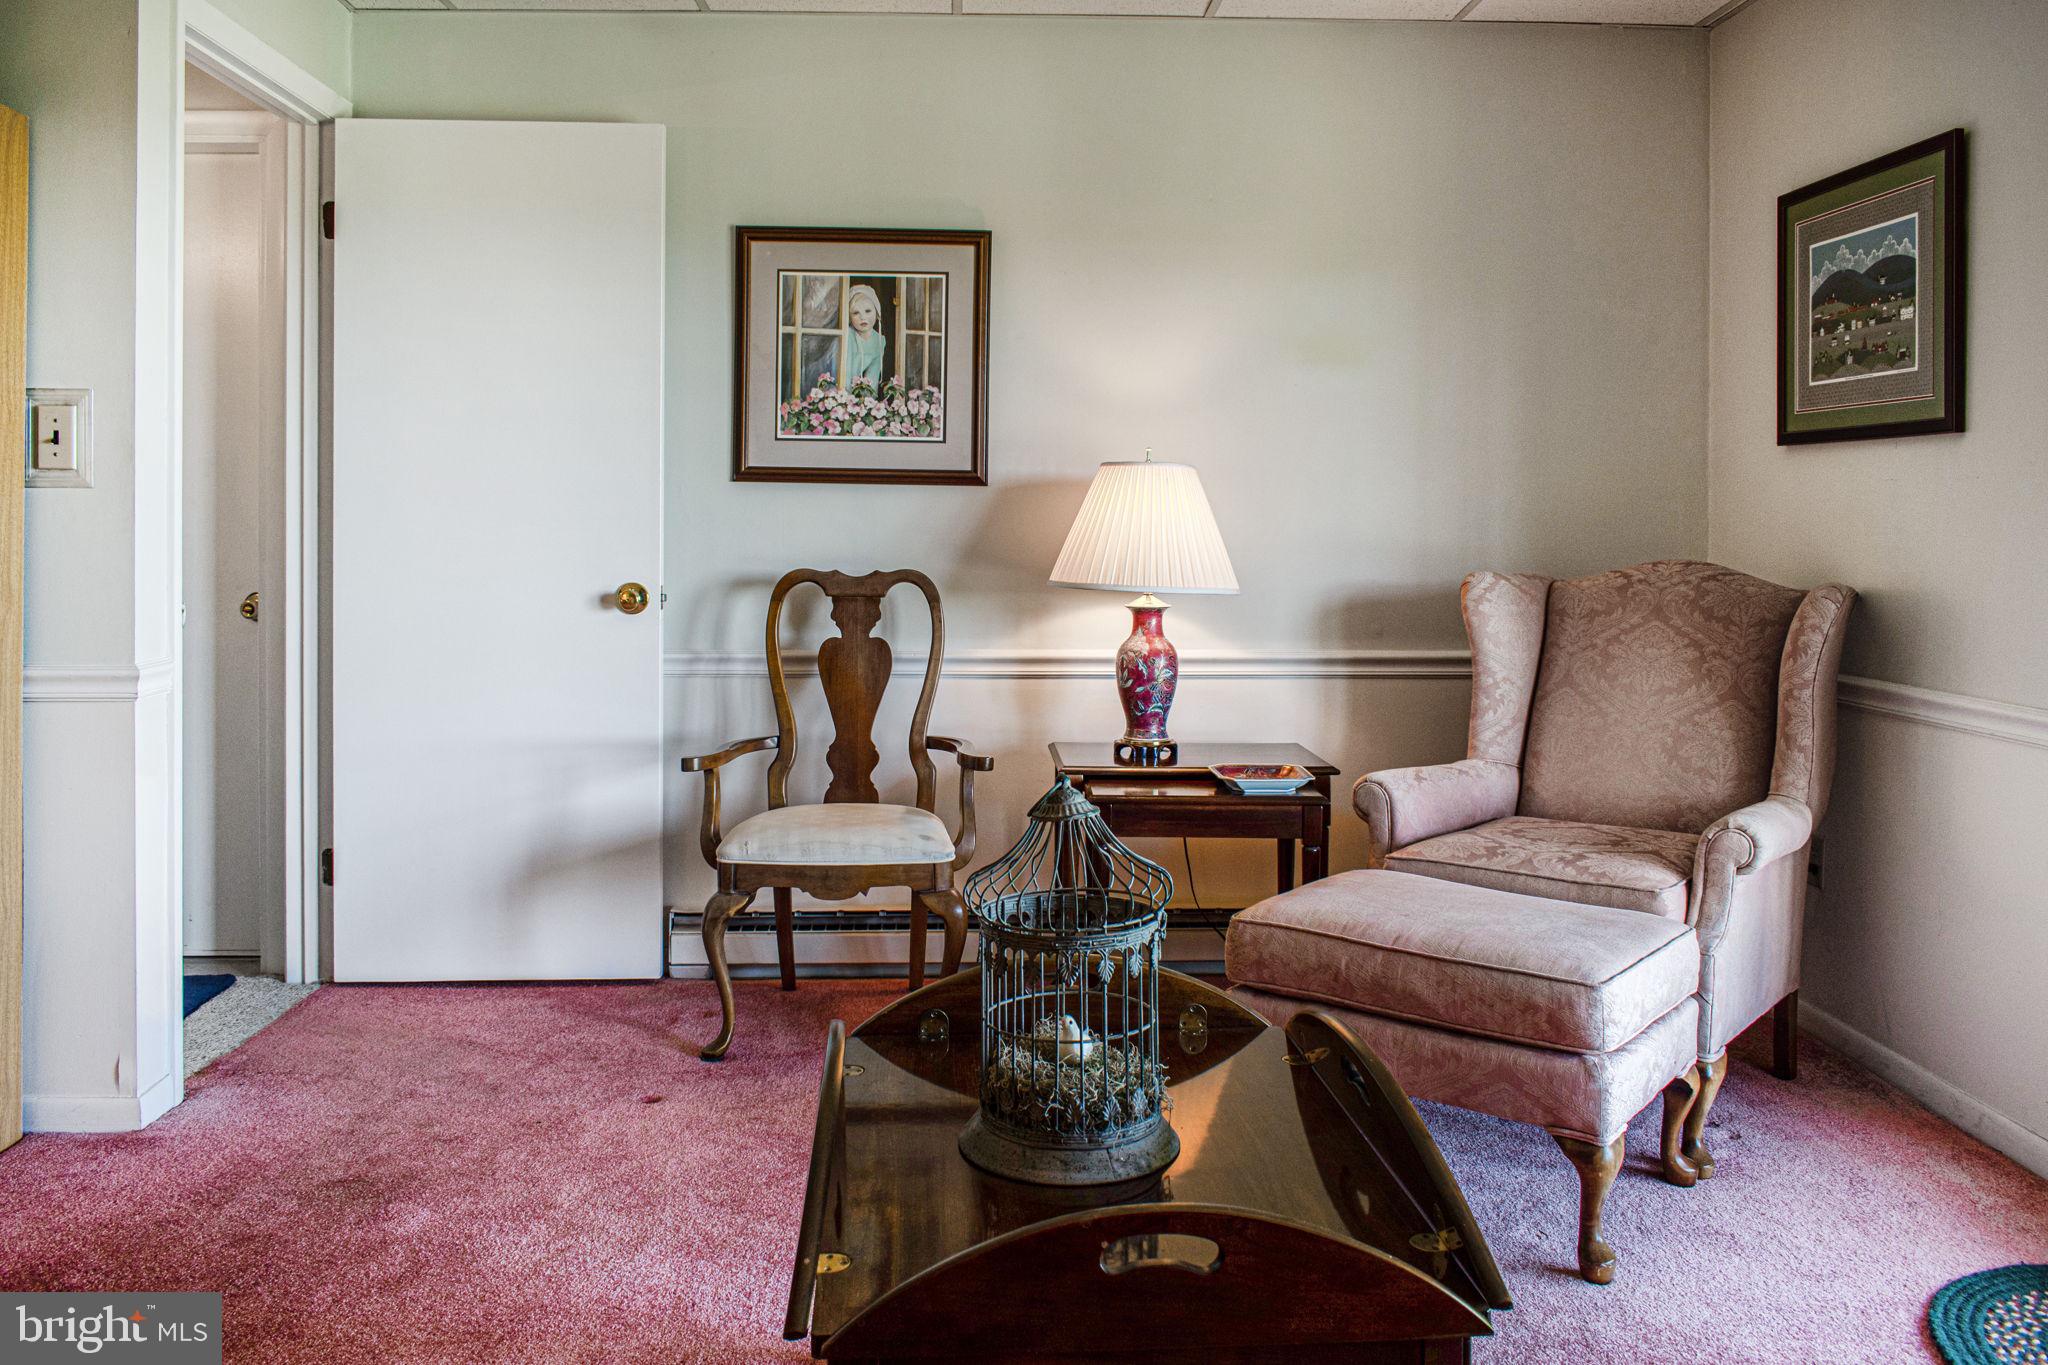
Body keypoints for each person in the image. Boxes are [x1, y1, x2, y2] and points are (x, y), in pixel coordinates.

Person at [844, 283, 886, 387]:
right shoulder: (848, 335)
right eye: (855, 313)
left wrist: (869, 396)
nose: (863, 317)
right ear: (849, 317)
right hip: (842, 387)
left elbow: (873, 376)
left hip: (857, 391)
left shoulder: (879, 340)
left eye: (868, 311)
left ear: (876, 311)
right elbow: (845, 375)